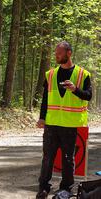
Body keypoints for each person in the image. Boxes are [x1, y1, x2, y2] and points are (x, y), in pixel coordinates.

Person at [36, 41, 92, 199]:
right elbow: (45, 99)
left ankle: (66, 188)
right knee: (47, 158)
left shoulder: (83, 74)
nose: (56, 55)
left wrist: (75, 89)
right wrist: (42, 117)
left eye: (59, 53)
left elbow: (88, 96)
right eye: (55, 53)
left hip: (70, 125)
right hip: (52, 124)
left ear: (69, 53)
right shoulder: (50, 74)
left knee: (68, 159)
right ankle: (43, 188)